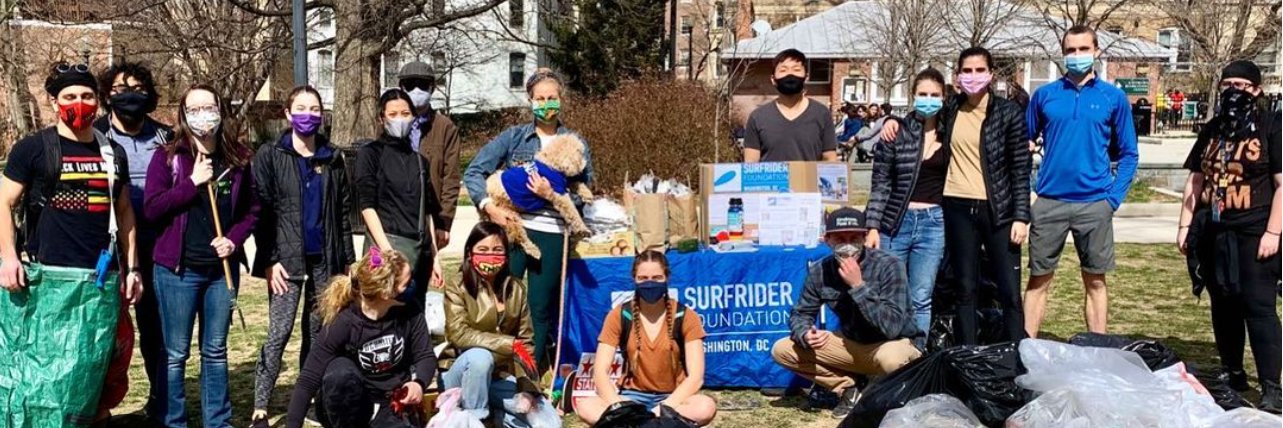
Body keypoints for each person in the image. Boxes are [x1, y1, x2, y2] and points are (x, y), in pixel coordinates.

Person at [0, 62, 143, 423]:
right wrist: (8, 257)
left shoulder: (113, 153)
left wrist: (132, 268)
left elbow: (124, 213)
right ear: (54, 102)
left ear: (97, 101)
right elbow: (3, 201)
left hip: (100, 283)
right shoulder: (33, 149)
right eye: (70, 96)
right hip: (48, 282)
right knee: (42, 376)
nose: (79, 103)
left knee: (96, 372)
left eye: (86, 95)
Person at [143, 85, 260, 427]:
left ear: (221, 111)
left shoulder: (238, 158)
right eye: (193, 109)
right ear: (183, 115)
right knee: (176, 353)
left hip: (219, 273)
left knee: (215, 352)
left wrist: (234, 241)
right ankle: (173, 420)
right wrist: (191, 183)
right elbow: (152, 208)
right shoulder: (167, 156)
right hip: (177, 271)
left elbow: (252, 211)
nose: (202, 115)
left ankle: (217, 421)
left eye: (208, 107)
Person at [464, 68, 593, 374]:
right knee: (500, 298)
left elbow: (586, 194)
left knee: (539, 307)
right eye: (540, 98)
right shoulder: (514, 138)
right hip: (512, 231)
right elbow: (473, 172)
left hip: (551, 233)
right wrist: (489, 208)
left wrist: (550, 194)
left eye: (552, 98)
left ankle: (529, 373)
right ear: (530, 101)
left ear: (561, 100)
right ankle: (494, 364)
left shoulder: (575, 143)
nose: (546, 103)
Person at [1178, 60, 1281, 413]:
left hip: (1255, 231)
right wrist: (1185, 227)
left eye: (1242, 84)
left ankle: (1271, 386)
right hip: (1215, 230)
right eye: (1227, 84)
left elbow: (1282, 185)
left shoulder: (1272, 126)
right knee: (1223, 304)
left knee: (1258, 306)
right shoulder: (1212, 130)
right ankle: (1233, 371)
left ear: (1256, 90)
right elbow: (1195, 180)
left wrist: (1273, 231)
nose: (1234, 91)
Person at [251, 85, 357, 426]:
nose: (307, 115)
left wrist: (348, 262)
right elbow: (262, 212)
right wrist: (269, 260)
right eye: (300, 108)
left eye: (314, 109)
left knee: (317, 335)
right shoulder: (270, 155)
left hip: (325, 262)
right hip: (285, 263)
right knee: (279, 333)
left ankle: (308, 399)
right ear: (287, 113)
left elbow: (343, 214)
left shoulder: (333, 158)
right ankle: (260, 406)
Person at [1024, 25, 1139, 337]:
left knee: (1096, 281)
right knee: (1038, 280)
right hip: (1049, 203)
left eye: (1083, 49)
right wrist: (1029, 193)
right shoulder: (1044, 96)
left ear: (1096, 51)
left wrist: (1112, 199)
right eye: (1070, 50)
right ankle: (1025, 350)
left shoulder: (1113, 98)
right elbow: (1022, 146)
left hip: (1095, 204)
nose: (1076, 56)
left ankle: (1098, 349)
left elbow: (1129, 154)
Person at [771, 207, 922, 419]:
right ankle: (849, 388)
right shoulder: (819, 270)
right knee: (782, 349)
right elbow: (801, 314)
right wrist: (806, 333)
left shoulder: (889, 265)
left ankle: (878, 390)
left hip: (891, 343)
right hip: (851, 343)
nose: (848, 244)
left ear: (864, 237)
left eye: (854, 237)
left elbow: (893, 326)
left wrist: (858, 286)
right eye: (840, 238)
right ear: (828, 240)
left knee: (892, 359)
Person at [93, 60, 173, 423]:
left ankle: (161, 402)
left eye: (138, 89)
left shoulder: (166, 137)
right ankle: (97, 409)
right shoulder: (94, 137)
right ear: (107, 96)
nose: (129, 96)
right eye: (120, 89)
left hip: (157, 244)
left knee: (156, 329)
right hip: (107, 244)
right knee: (105, 329)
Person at [284, 247, 437, 428]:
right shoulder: (344, 321)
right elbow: (308, 379)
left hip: (392, 400)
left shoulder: (410, 310)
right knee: (339, 373)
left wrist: (419, 383)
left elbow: (425, 355)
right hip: (352, 403)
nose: (412, 285)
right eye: (406, 283)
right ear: (386, 293)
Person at [574, 250, 718, 426]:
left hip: (674, 396)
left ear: (667, 278)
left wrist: (665, 407)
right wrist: (620, 406)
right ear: (634, 279)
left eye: (657, 277)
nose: (650, 283)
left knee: (705, 406)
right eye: (643, 278)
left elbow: (696, 378)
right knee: (586, 406)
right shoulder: (620, 315)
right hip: (631, 397)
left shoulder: (685, 316)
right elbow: (600, 372)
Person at [864, 68, 949, 342]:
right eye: (922, 94)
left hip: (933, 223)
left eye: (935, 95)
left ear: (944, 97)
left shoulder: (951, 133)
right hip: (895, 222)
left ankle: (915, 358)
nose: (928, 99)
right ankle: (887, 357)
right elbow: (881, 183)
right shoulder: (896, 132)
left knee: (921, 296)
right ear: (912, 96)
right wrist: (873, 225)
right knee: (890, 294)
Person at [441, 222, 543, 425]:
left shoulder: (516, 289)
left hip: (500, 377)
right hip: (462, 374)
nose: (490, 256)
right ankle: (477, 419)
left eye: (497, 250)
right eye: (483, 250)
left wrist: (527, 389)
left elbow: (526, 342)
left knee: (545, 420)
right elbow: (458, 334)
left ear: (506, 255)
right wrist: (508, 344)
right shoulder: (457, 286)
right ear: (470, 253)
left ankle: (497, 414)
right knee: (480, 357)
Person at [356, 88, 444, 307]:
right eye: (393, 114)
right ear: (381, 118)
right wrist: (388, 253)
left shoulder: (419, 161)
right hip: (383, 248)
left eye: (405, 114)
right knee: (380, 311)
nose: (400, 119)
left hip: (418, 251)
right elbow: (367, 206)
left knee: (414, 316)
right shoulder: (370, 154)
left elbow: (428, 211)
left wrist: (435, 257)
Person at [397, 61, 461, 252]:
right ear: (401, 87)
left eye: (423, 84)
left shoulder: (445, 127)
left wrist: (444, 222)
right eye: (410, 84)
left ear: (432, 87)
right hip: (396, 212)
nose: (416, 89)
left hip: (428, 214)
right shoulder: (390, 122)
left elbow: (451, 178)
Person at [743, 49, 838, 162]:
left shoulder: (821, 114)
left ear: (806, 77)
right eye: (783, 70)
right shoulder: (758, 117)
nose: (790, 74)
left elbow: (830, 159)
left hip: (808, 179)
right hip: (771, 180)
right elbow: (751, 163)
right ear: (773, 79)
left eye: (796, 70)